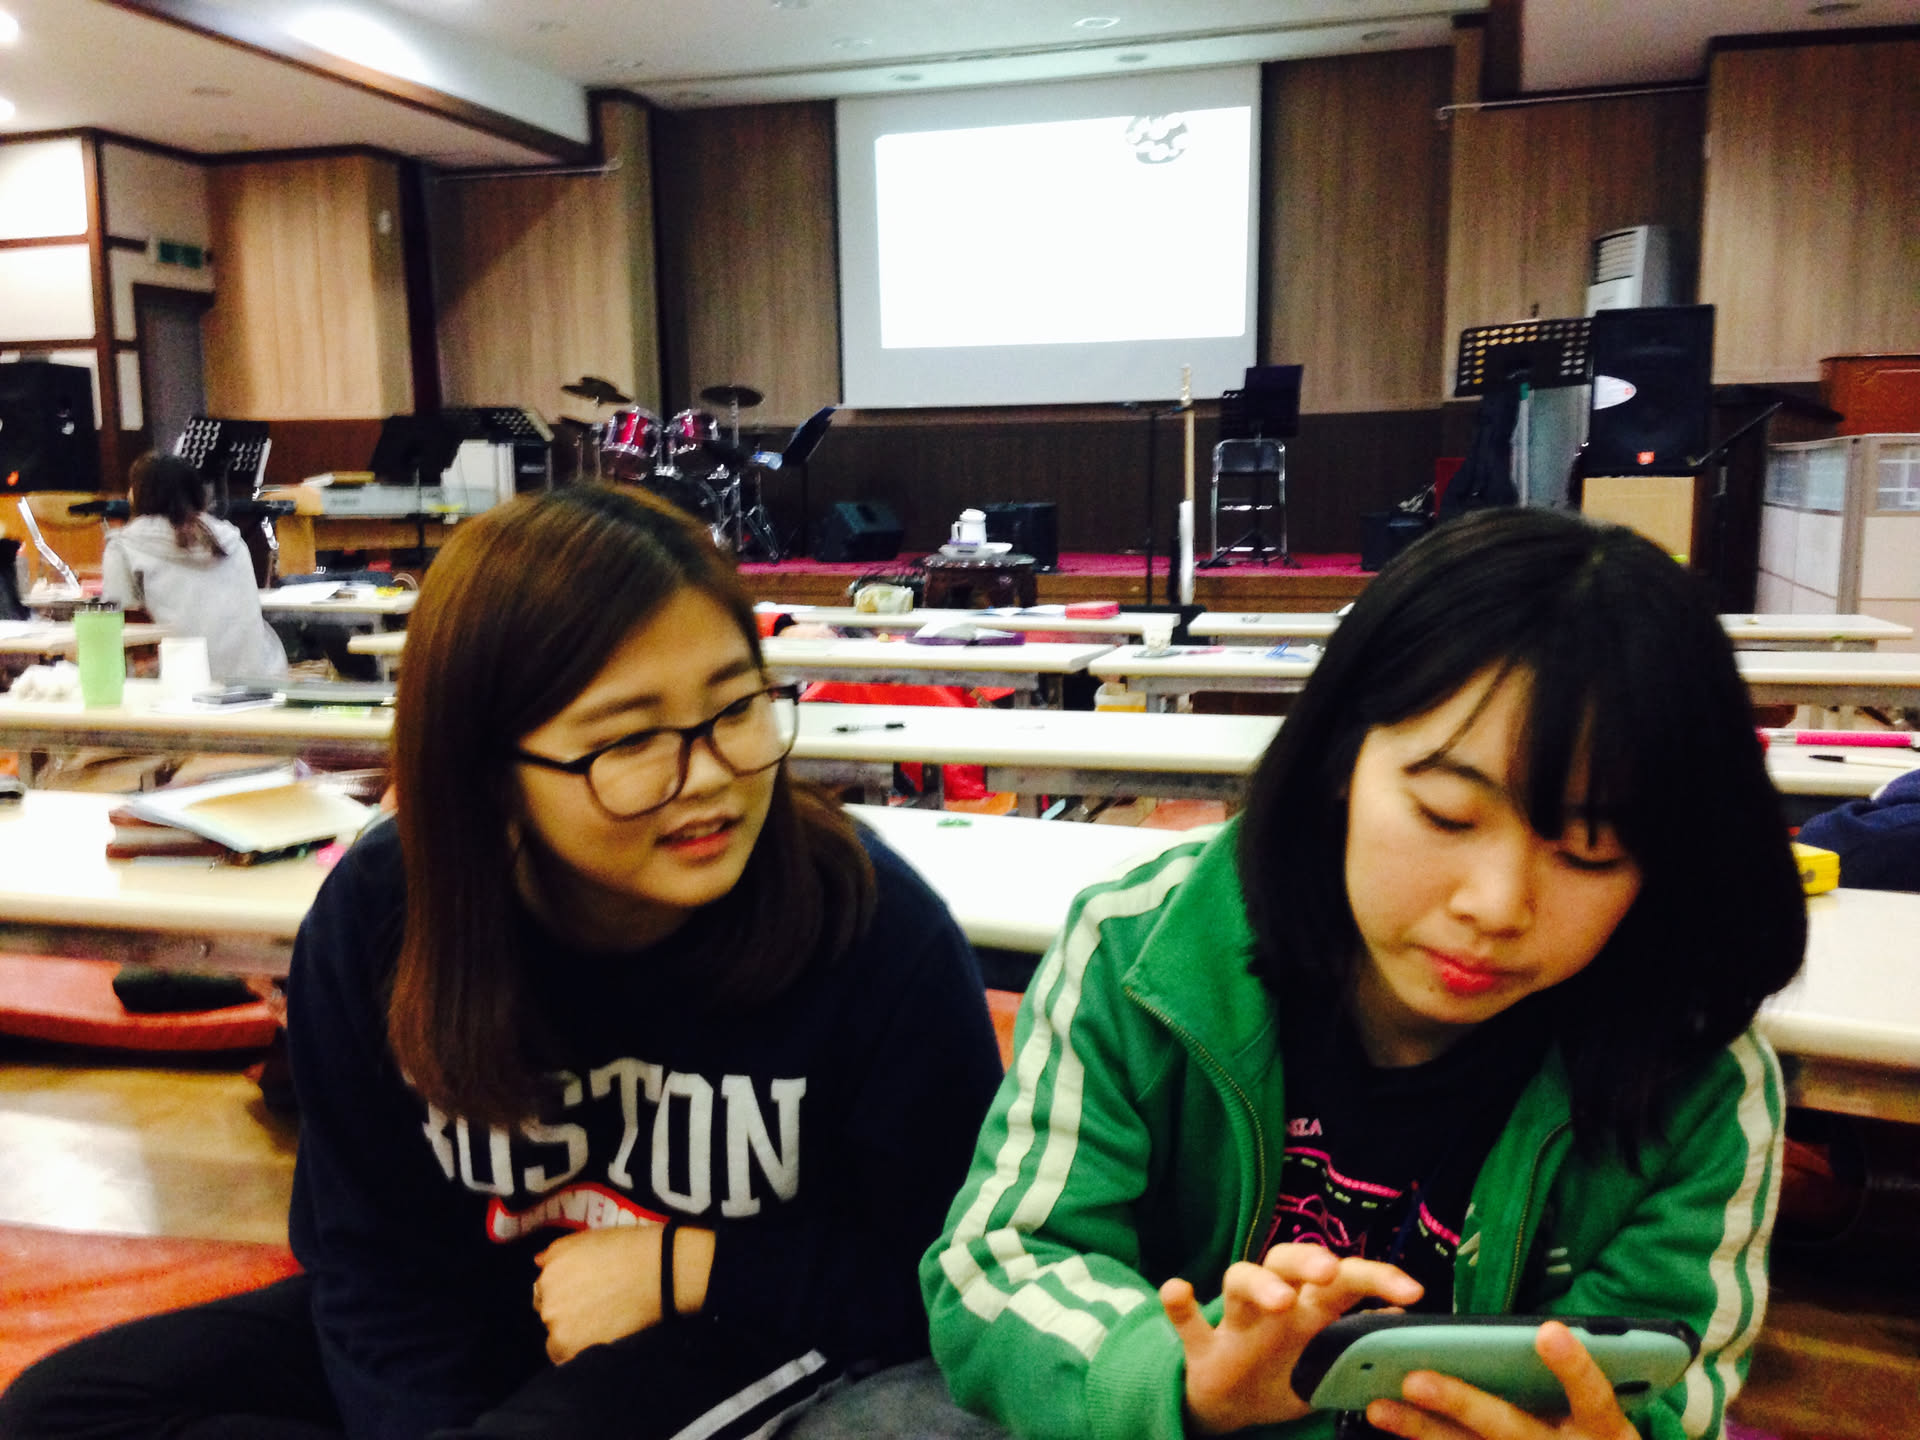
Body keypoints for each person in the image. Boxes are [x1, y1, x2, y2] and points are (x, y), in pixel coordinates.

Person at [1, 485, 1005, 1439]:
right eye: (630, 740)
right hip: (478, 1312)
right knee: (63, 1413)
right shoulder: (383, 916)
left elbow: (957, 1281)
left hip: (735, 1325)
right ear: (488, 771)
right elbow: (370, 1269)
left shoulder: (869, 927)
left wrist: (692, 1268)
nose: (710, 777)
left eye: (737, 708)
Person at [923, 507, 1807, 1440]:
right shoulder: (1147, 949)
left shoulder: (1695, 1073)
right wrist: (1179, 1385)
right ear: (1343, 759)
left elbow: (1670, 1386)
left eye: (1590, 851)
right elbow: (1001, 1267)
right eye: (1446, 814)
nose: (1497, 906)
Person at [101, 451, 289, 681]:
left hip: (181, 684)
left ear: (137, 494)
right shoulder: (231, 540)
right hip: (259, 677)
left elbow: (114, 627)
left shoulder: (123, 547)